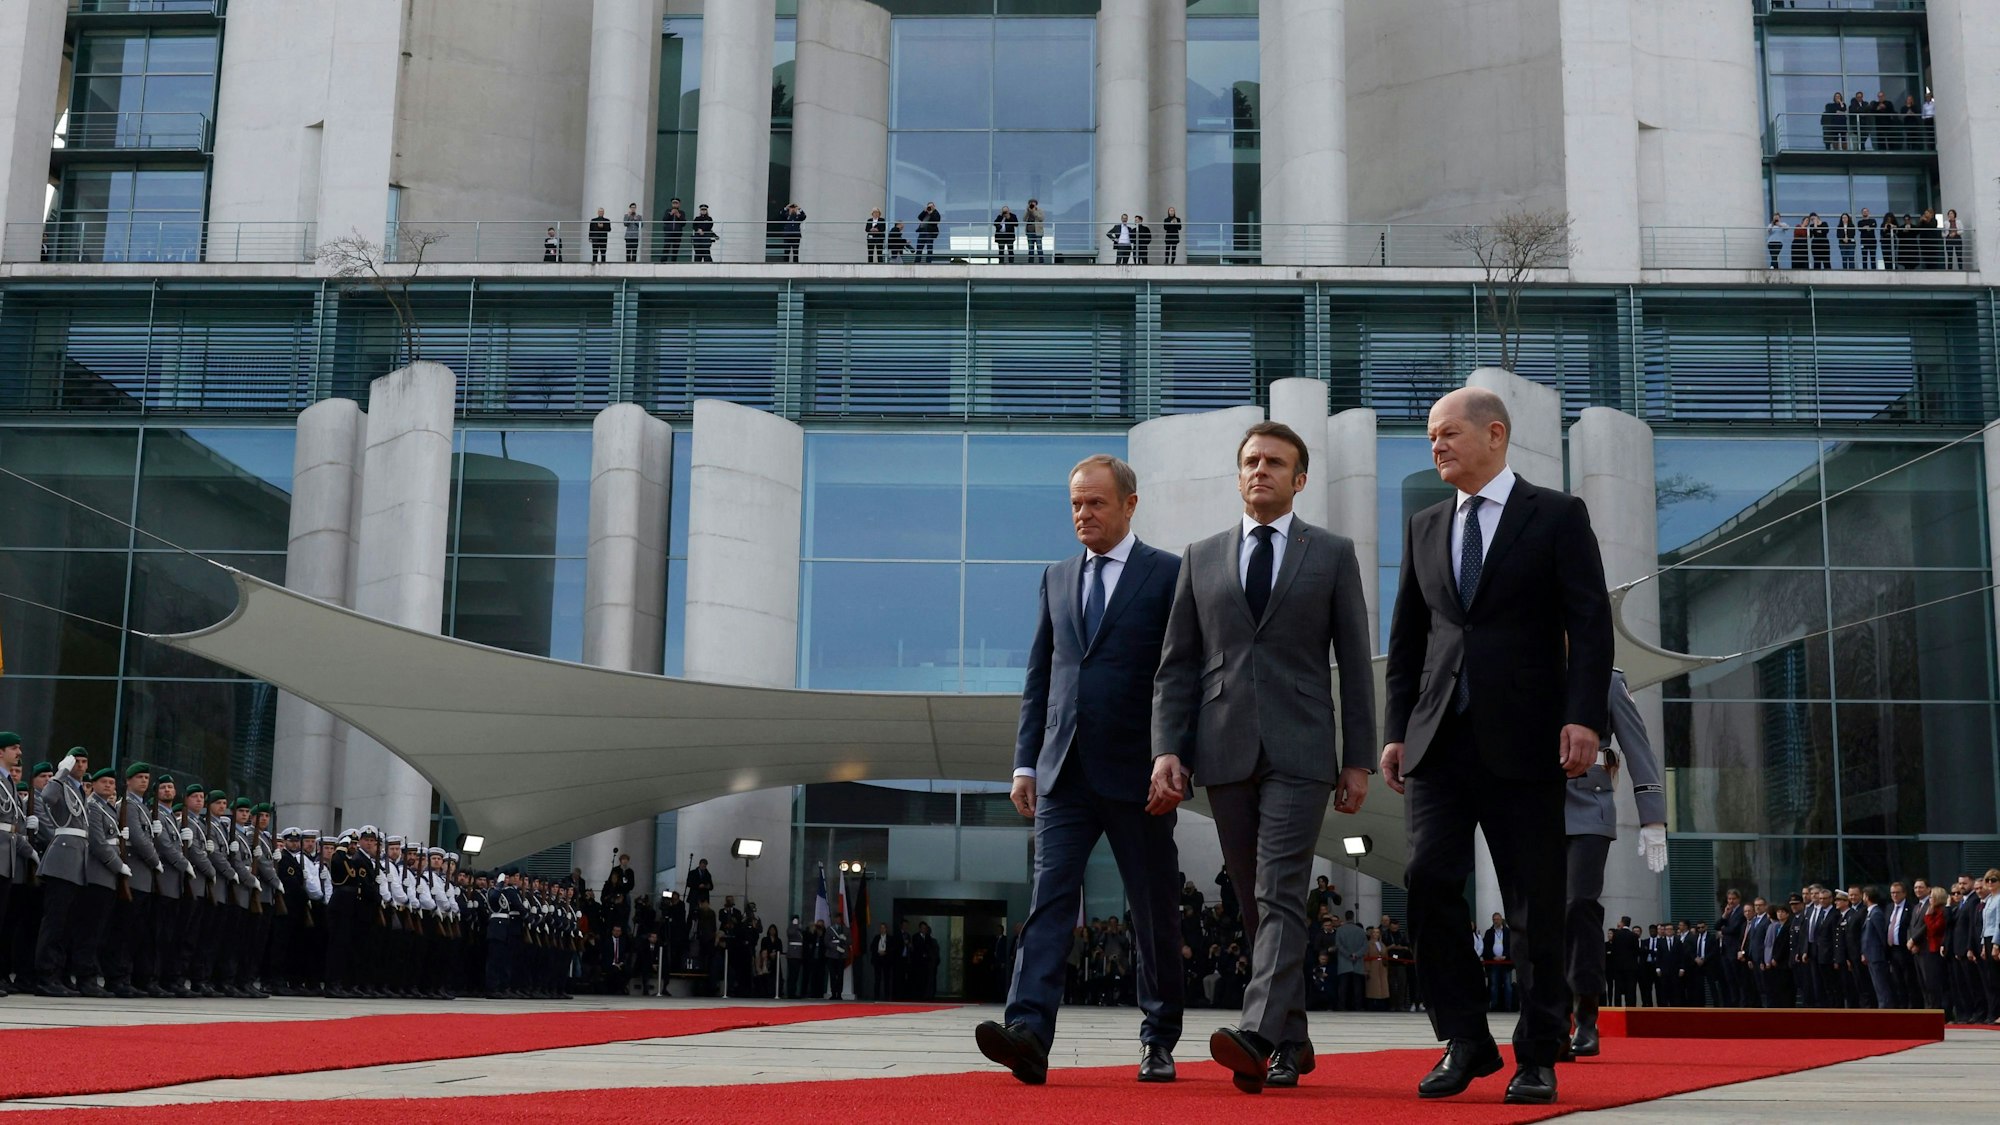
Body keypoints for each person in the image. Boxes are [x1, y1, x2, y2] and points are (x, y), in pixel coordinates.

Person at [1381, 385, 1614, 1106]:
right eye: (1430, 437)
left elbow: (1592, 625)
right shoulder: (1424, 525)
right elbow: (1408, 640)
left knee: (1535, 904)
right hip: (1438, 742)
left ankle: (1539, 1049)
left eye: (1448, 433)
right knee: (1427, 884)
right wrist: (1395, 730)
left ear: (1496, 434)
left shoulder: (1557, 516)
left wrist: (1584, 718)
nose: (1437, 445)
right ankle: (1465, 1037)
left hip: (1527, 741)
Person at [1149, 420, 1376, 1094]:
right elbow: (1176, 666)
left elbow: (1355, 661)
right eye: (1250, 461)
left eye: (1275, 462)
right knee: (1255, 900)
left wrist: (1358, 755)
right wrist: (1168, 747)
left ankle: (1253, 1032)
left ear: (1299, 478)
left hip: (1302, 746)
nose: (1260, 471)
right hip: (1222, 746)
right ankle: (1291, 1043)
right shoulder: (1201, 555)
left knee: (1279, 887)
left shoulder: (1330, 553)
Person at [976, 453, 1185, 1087]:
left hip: (1138, 775)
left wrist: (1172, 758)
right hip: (1062, 771)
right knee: (1049, 902)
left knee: (1152, 911)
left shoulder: (1170, 575)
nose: (1082, 515)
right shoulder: (1056, 576)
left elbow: (1181, 676)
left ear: (1129, 504)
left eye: (1094, 503)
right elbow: (1041, 677)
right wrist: (1023, 765)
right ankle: (1029, 1033)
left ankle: (1158, 1038)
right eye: (1074, 504)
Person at [1563, 669, 1667, 1056]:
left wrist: (1652, 816)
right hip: (1532, 807)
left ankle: (1586, 1015)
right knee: (1542, 914)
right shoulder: (1522, 661)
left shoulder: (1606, 679)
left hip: (1588, 804)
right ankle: (1552, 1019)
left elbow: (1637, 745)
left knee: (1580, 906)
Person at [32, 749, 91, 996]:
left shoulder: (79, 790)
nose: (79, 765)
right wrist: (60, 772)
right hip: (62, 859)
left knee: (67, 924)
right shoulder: (62, 784)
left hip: (77, 861)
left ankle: (58, 974)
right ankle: (45, 976)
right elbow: (46, 797)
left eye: (83, 762)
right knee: (54, 922)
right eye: (75, 761)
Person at [1024, 199, 1046, 264]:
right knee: (1030, 248)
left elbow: (1041, 218)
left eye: (1033, 203)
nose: (1031, 205)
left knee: (1039, 247)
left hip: (1038, 232)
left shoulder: (1040, 210)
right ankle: (1030, 262)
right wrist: (1028, 212)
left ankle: (1041, 261)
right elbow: (1024, 219)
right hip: (1029, 232)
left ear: (1036, 204)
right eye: (1030, 203)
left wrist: (1034, 212)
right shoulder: (1027, 211)